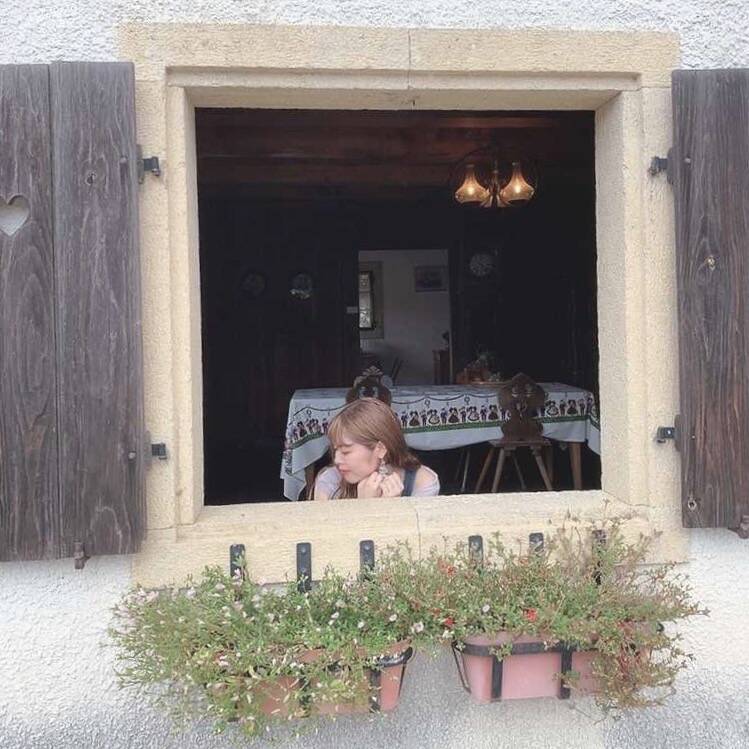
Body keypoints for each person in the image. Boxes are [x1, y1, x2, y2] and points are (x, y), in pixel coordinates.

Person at [312, 397, 440, 500]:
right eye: (335, 450)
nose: (337, 460)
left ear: (380, 449)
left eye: (346, 451)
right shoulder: (330, 481)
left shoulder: (422, 481)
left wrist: (393, 509)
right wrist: (365, 507)